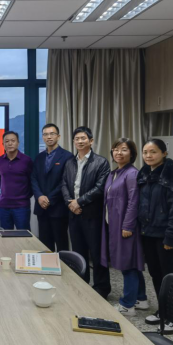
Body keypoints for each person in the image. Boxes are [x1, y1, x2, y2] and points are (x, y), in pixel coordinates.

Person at [137, 138, 173, 335]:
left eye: (153, 152)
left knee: (170, 276)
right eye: (145, 152)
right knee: (156, 274)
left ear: (164, 153)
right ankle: (163, 311)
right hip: (148, 233)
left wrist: (171, 237)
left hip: (166, 236)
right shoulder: (145, 173)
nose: (148, 156)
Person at [61, 126, 111, 298]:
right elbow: (64, 184)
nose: (80, 141)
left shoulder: (101, 162)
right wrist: (70, 203)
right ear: (73, 141)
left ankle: (101, 288)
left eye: (83, 138)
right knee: (78, 252)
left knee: (97, 253)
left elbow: (100, 187)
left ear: (91, 141)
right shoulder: (70, 162)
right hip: (74, 214)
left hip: (92, 215)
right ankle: (81, 285)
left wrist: (79, 202)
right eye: (77, 139)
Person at [100, 138, 147, 316]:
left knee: (128, 265)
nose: (119, 153)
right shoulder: (114, 173)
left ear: (132, 154)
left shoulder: (132, 174)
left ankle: (127, 305)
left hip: (125, 227)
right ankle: (141, 298)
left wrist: (127, 225)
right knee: (131, 262)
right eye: (116, 149)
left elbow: (134, 201)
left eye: (124, 149)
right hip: (114, 224)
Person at [31, 123, 73, 251]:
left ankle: (64, 265)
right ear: (43, 137)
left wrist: (49, 198)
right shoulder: (39, 157)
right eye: (45, 134)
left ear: (58, 136)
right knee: (44, 244)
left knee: (61, 244)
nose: (49, 137)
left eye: (52, 134)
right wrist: (39, 196)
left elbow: (65, 181)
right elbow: (33, 178)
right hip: (41, 208)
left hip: (58, 207)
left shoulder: (67, 156)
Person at [0, 131, 33, 230]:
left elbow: (32, 181)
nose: (10, 143)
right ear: (3, 144)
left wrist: (24, 196)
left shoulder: (26, 160)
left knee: (24, 235)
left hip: (21, 206)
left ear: (18, 143)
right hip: (4, 205)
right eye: (7, 141)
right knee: (5, 235)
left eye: (13, 141)